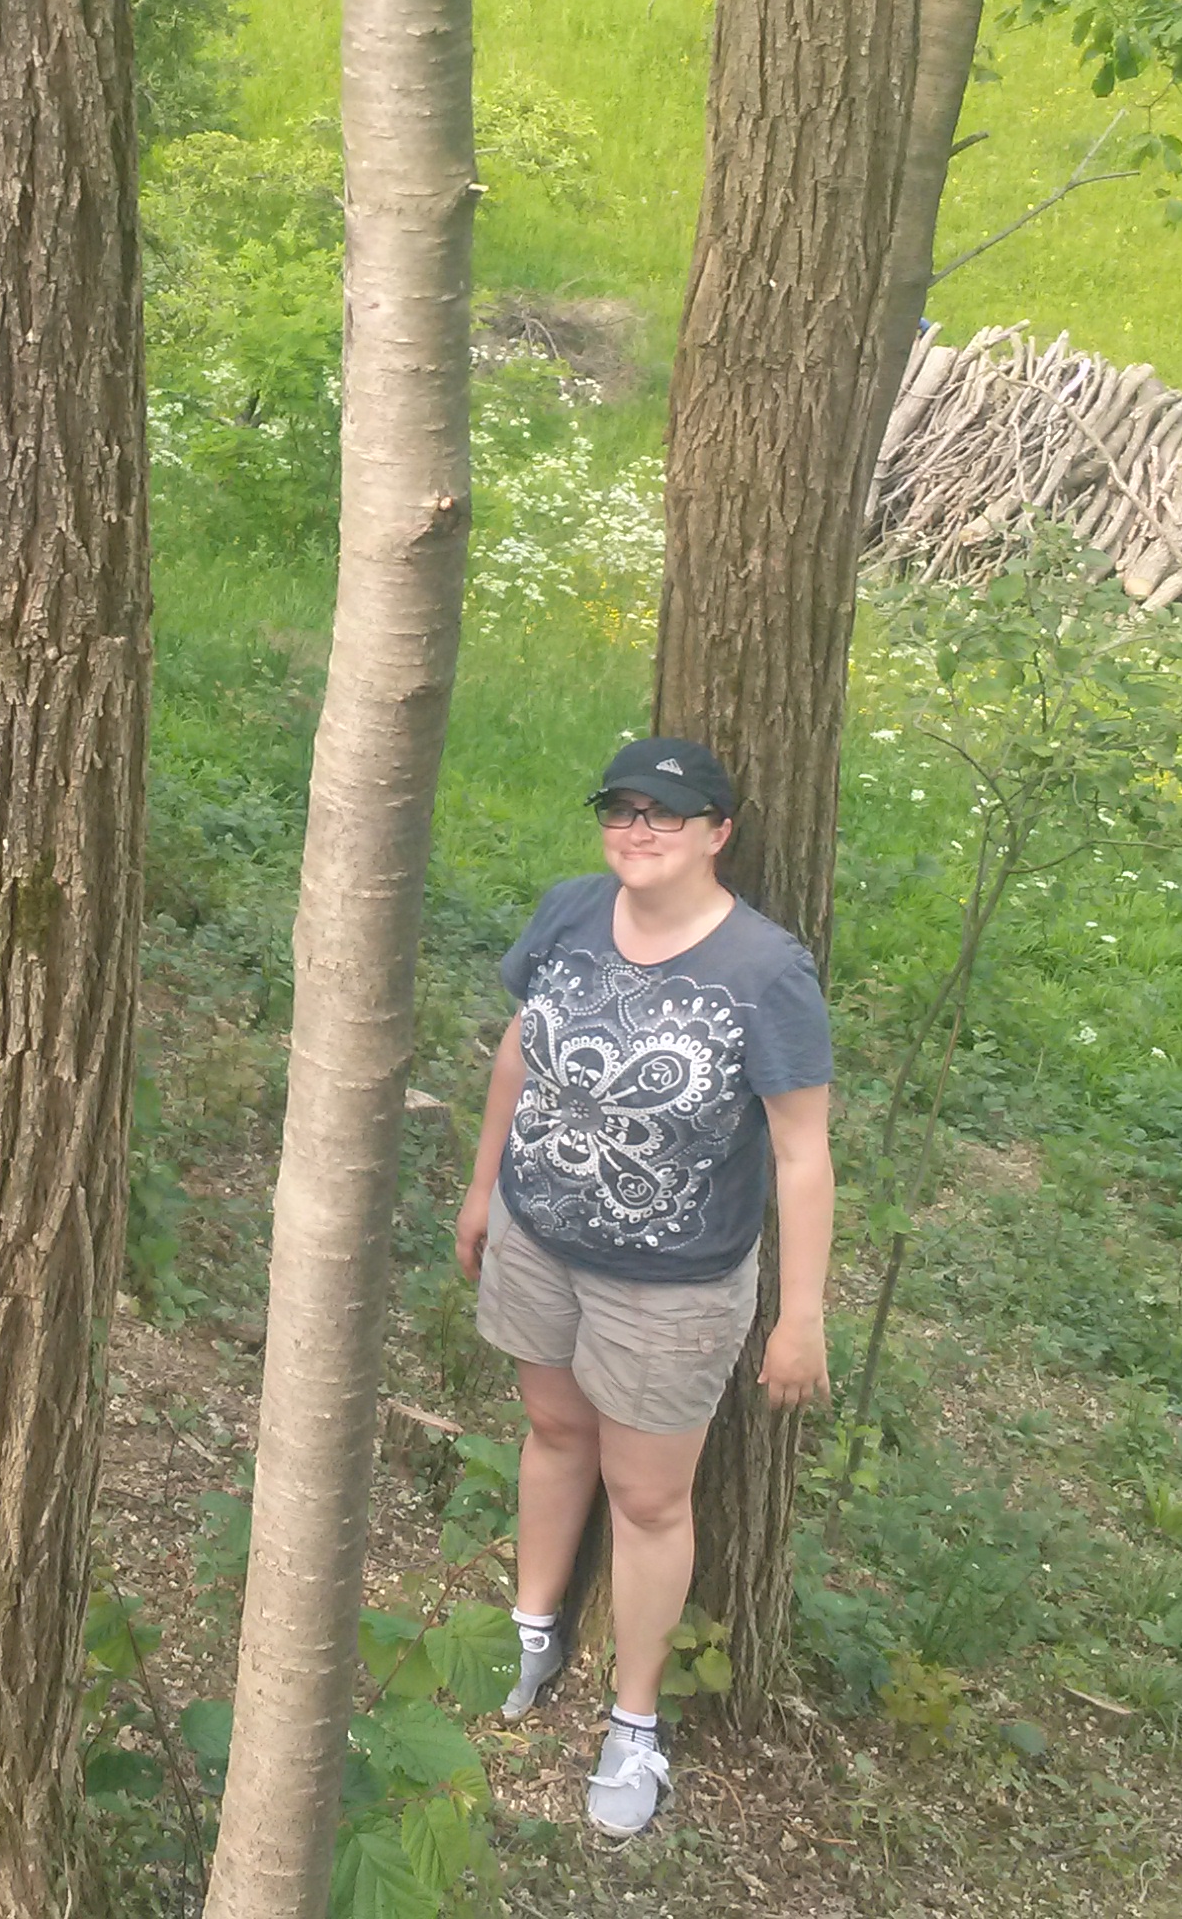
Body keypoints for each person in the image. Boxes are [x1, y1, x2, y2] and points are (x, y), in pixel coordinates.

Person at [455, 735, 836, 1839]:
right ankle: (530, 1634)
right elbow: (518, 1053)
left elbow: (802, 1152)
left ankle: (633, 1724)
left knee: (650, 1498)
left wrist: (801, 1315)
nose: (637, 830)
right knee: (551, 1430)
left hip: (671, 1284)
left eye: (665, 813)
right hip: (537, 1233)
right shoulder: (571, 910)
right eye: (621, 809)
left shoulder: (764, 970)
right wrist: (482, 1187)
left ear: (718, 833)